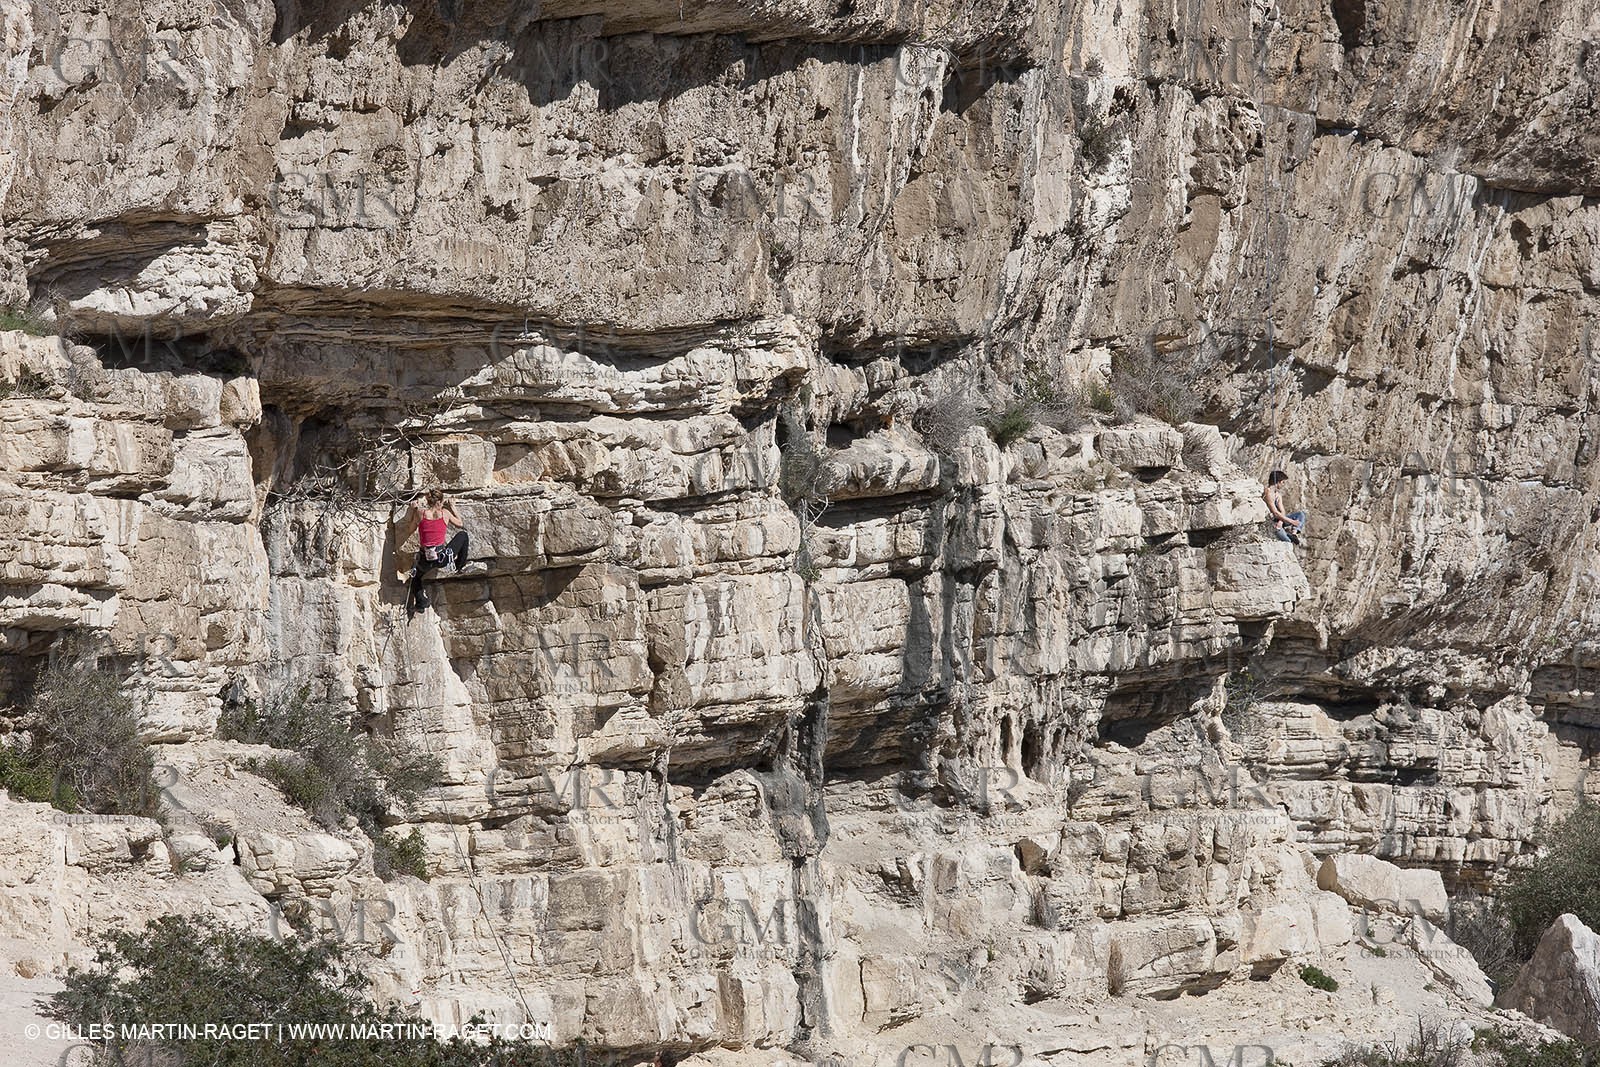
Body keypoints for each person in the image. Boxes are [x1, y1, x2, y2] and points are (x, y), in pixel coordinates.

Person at [407, 489, 482, 612]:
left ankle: (421, 602)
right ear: (440, 502)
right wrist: (453, 507)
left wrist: (413, 510)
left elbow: (410, 530)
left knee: (415, 579)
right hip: (442, 557)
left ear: (428, 501)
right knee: (463, 535)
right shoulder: (445, 513)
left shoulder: (420, 513)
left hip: (425, 560)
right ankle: (460, 565)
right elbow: (460, 523)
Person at [1263, 469, 1305, 545]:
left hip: (1279, 520)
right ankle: (1287, 535)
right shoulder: (1268, 492)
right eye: (1282, 482)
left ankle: (1293, 533)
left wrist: (1281, 521)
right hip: (1272, 523)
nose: (1283, 484)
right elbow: (1275, 512)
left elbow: (1282, 511)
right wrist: (1291, 521)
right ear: (1278, 482)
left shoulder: (1277, 495)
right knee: (1287, 542)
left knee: (1300, 514)